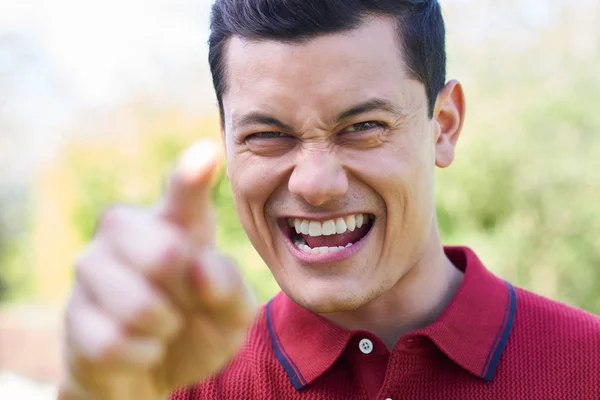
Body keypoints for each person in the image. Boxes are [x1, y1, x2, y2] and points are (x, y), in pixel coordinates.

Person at [58, 1, 600, 399]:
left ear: (444, 126)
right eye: (268, 135)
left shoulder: (588, 366)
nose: (315, 184)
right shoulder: (174, 384)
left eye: (363, 126)